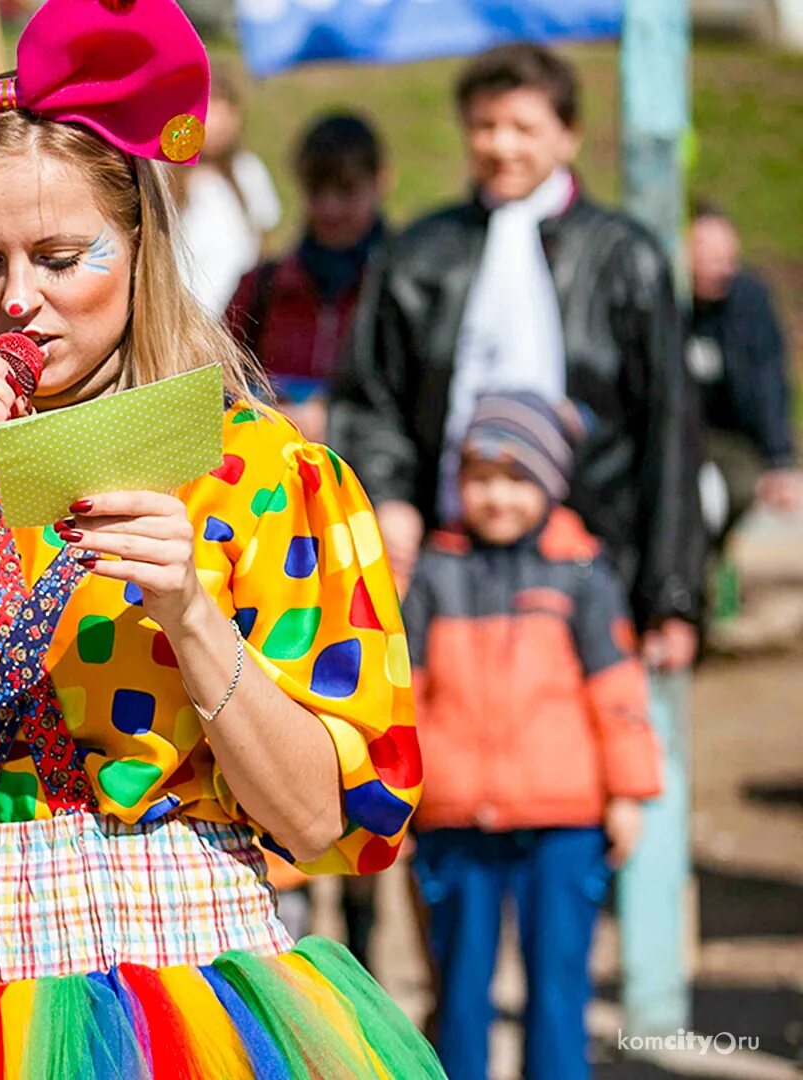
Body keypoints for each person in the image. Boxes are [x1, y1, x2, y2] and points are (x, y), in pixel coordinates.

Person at [0, 2, 440, 1073]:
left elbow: (320, 825)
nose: (20, 302)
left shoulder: (258, 471)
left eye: (64, 257)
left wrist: (195, 617)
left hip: (196, 996)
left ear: (141, 243)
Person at [330, 43, 705, 1035]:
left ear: (567, 134)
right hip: (449, 568)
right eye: (486, 127)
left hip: (589, 565)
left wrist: (670, 589)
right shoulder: (422, 254)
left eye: (524, 127)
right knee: (455, 753)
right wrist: (395, 494)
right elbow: (372, 401)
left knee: (573, 773)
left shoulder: (622, 255)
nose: (502, 146)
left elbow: (668, 422)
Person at [405, 392, 662, 1080]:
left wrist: (628, 792)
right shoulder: (436, 570)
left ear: (549, 482)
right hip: (457, 818)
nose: (497, 498)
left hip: (565, 821)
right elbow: (406, 694)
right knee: (458, 991)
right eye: (481, 478)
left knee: (558, 988)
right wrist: (394, 800)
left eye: (517, 479)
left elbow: (618, 692)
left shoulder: (582, 571)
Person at [226, 112, 388, 444]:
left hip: (369, 481)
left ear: (381, 181)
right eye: (317, 190)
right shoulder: (261, 286)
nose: (330, 208)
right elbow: (215, 383)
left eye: (346, 190)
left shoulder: (406, 288)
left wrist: (338, 422)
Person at [686, 202, 800, 544]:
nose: (720, 270)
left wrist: (780, 459)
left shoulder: (748, 303)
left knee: (736, 488)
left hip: (733, 440)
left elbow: (768, 383)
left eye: (727, 259)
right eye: (709, 258)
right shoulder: (670, 302)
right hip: (683, 435)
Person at [174, 67, 281, 317]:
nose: (215, 122)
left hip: (238, 319)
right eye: (208, 109)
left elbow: (265, 245)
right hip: (184, 319)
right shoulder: (166, 178)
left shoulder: (249, 172)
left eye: (223, 110)